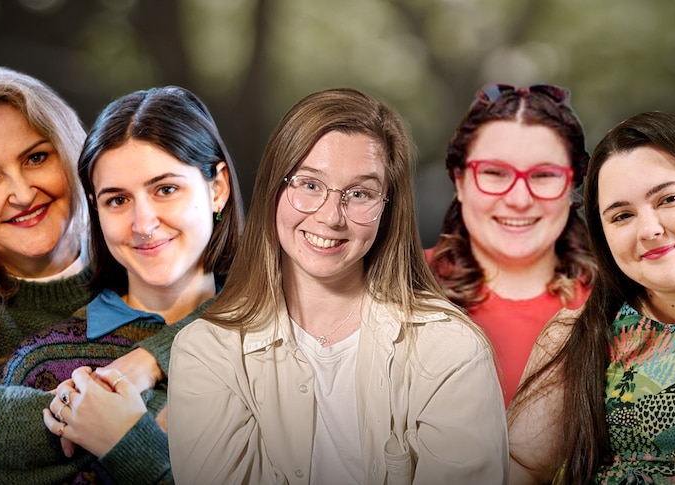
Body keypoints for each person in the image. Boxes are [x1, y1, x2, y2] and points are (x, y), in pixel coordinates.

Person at [168, 87, 508, 484]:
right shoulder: (206, 352)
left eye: (360, 193)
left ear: (388, 208)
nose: (331, 217)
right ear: (273, 190)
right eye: (309, 185)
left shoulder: (452, 351)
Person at [0, 64, 174, 483]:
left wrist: (152, 359)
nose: (22, 193)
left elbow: (243, 312)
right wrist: (108, 419)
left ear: (71, 154)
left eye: (35, 158)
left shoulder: (143, 247)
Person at [0, 86, 243, 483]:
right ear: (95, 207)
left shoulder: (291, 339)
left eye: (166, 189)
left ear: (217, 188)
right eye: (117, 200)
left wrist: (128, 441)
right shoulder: (46, 365)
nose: (143, 224)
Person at [508, 111, 675, 484]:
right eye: (622, 216)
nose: (649, 229)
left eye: (669, 199)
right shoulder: (576, 336)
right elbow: (518, 471)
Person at [427, 83, 596, 406]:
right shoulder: (400, 285)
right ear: (460, 182)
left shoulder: (619, 304)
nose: (519, 200)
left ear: (571, 185)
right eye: (494, 173)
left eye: (544, 175)